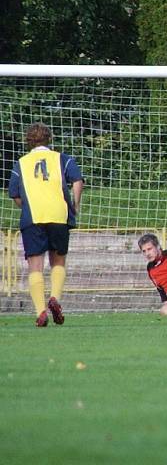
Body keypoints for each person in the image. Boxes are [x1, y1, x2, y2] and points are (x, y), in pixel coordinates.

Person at [8, 123, 84, 327]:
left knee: (35, 265)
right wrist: (75, 205)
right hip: (59, 215)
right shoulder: (62, 158)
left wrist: (27, 207)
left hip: (32, 217)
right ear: (49, 139)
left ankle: (41, 311)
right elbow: (77, 181)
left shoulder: (21, 163)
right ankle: (55, 298)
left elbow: (14, 194)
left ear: (29, 142)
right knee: (58, 261)